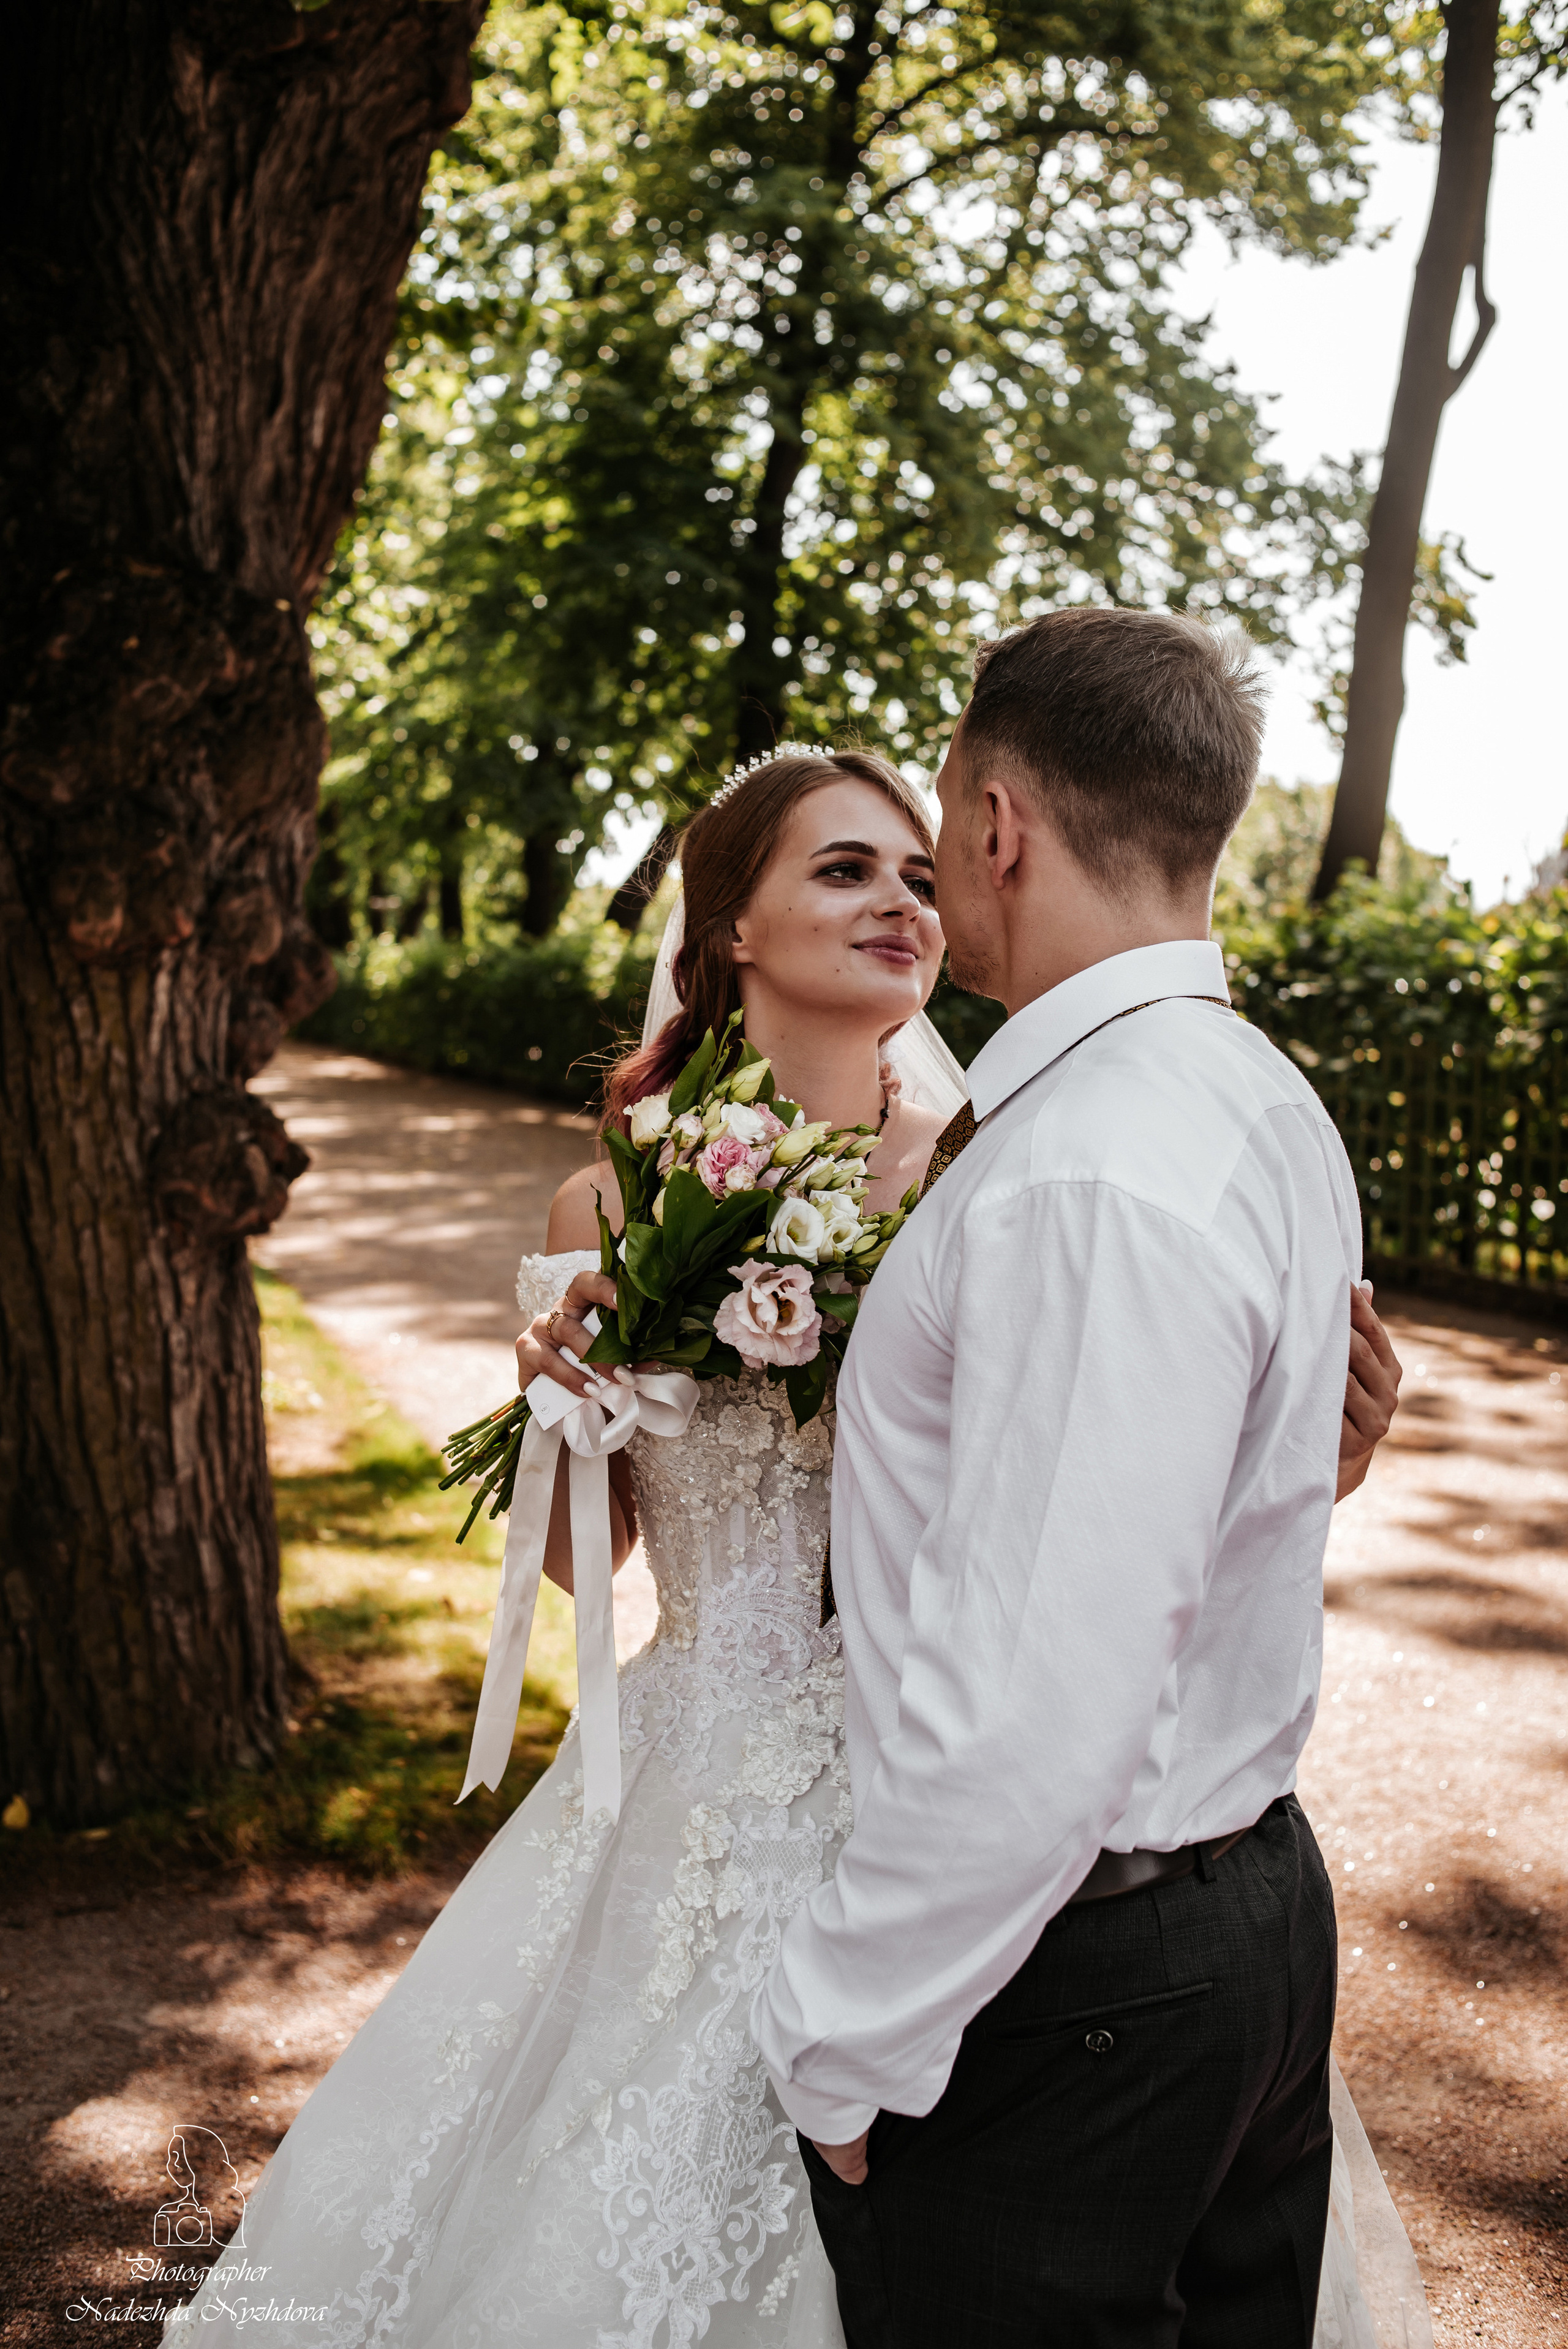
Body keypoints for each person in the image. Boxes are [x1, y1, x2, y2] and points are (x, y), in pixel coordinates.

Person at [167, 729, 1406, 2348]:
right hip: (699, 1782)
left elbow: (1100, 1536)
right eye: (843, 868)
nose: (901, 897)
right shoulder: (605, 1211)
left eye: (915, 868)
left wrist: (1321, 1446)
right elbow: (578, 1566)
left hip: (947, 1796)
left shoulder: (1007, 1176)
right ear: (730, 929)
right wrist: (569, 1418)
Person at [749, 611, 1427, 2346]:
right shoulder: (1262, 1102)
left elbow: (1036, 1697)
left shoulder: (1083, 1170)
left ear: (998, 824)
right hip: (1245, 1918)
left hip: (1075, 1990)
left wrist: (846, 2037)